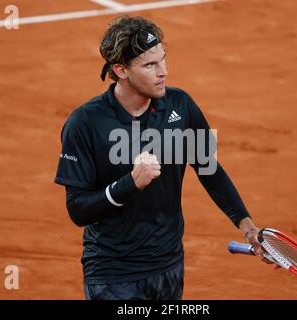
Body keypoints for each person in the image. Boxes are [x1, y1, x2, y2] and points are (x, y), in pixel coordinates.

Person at [54, 15, 273, 300]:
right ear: (121, 70)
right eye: (149, 65)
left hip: (169, 266)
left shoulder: (180, 105)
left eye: (163, 60)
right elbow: (78, 210)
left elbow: (209, 170)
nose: (163, 72)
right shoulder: (86, 123)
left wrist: (248, 228)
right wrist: (130, 183)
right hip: (114, 274)